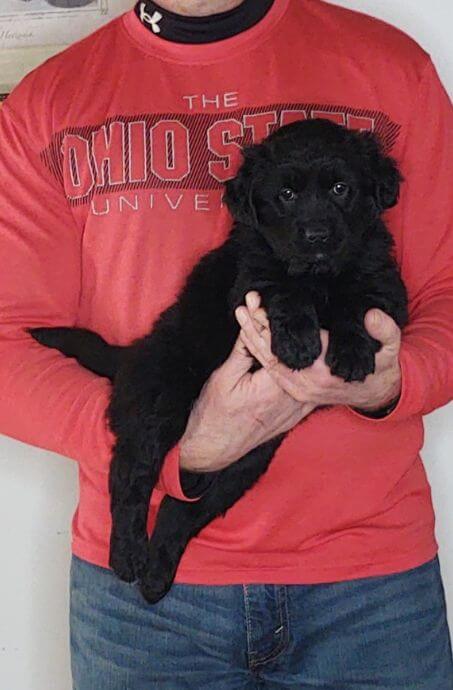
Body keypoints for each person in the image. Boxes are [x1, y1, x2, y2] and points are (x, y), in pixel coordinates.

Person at [0, 0, 452, 687]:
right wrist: (178, 442)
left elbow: (445, 291)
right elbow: (8, 341)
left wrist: (397, 380)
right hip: (140, 604)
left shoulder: (391, 69)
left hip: (369, 587)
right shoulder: (50, 100)